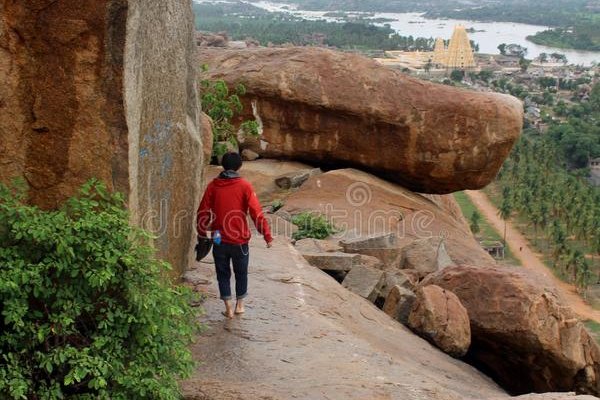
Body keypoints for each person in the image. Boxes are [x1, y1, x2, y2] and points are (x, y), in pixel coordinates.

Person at [197, 152, 273, 319]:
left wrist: (202, 232)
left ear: (223, 165)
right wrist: (267, 236)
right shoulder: (244, 186)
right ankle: (240, 305)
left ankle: (228, 307)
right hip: (239, 239)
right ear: (239, 166)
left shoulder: (213, 186)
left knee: (222, 272)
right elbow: (256, 213)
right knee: (241, 272)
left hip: (218, 237)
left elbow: (203, 211)